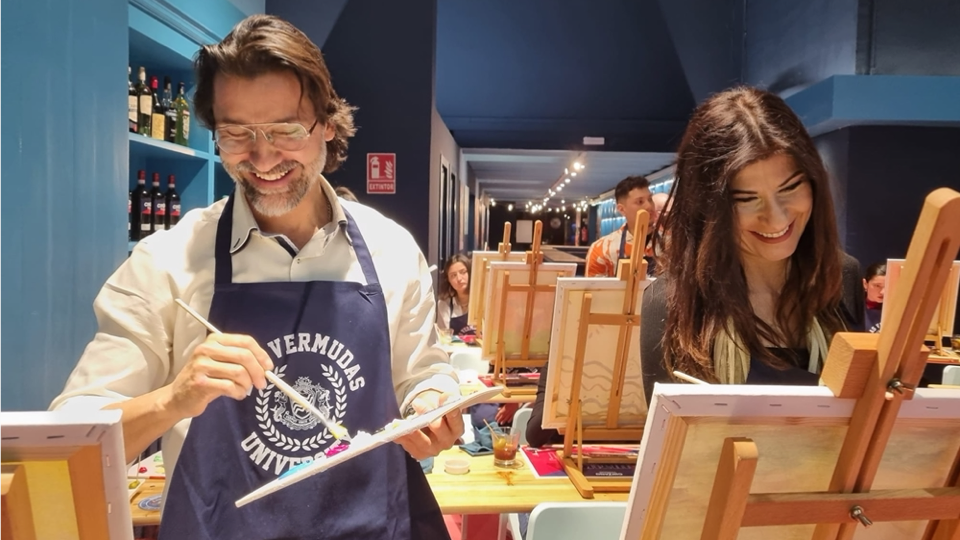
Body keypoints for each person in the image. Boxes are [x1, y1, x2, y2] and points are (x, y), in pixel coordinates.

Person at [50, 15, 459, 539]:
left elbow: (423, 372)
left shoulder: (391, 249)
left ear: (327, 125)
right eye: (236, 134)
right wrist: (172, 400)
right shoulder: (167, 262)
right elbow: (71, 444)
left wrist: (432, 401)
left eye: (286, 130)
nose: (263, 157)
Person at [640, 86, 864, 401]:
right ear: (707, 207)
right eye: (746, 199)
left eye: (789, 188)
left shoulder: (840, 276)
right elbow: (670, 429)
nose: (776, 219)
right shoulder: (671, 303)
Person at [585, 175, 657, 278]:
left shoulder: (671, 245)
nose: (649, 206)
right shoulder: (602, 250)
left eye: (650, 199)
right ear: (622, 209)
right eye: (640, 202)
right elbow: (594, 288)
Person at [436, 254, 472, 336]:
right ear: (448, 280)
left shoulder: (483, 301)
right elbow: (443, 336)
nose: (459, 279)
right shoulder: (444, 304)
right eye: (453, 275)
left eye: (463, 272)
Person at [863, 262, 886, 333]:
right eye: (877, 286)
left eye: (887, 285)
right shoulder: (854, 310)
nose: (882, 292)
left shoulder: (898, 311)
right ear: (865, 284)